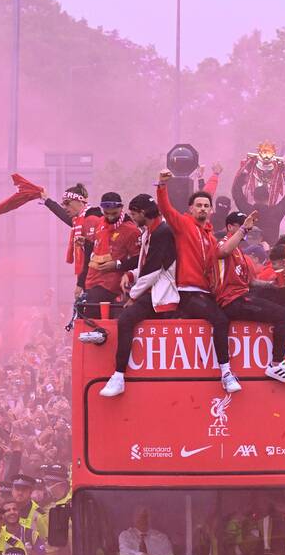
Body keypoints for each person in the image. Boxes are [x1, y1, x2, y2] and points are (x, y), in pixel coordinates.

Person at [155, 167, 241, 394]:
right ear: (190, 209)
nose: (203, 208)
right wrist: (162, 186)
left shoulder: (210, 236)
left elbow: (208, 193)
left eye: (206, 206)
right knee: (220, 321)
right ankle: (226, 373)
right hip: (189, 291)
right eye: (198, 205)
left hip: (207, 292)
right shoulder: (184, 226)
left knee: (234, 311)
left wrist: (215, 177)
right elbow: (166, 209)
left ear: (211, 211)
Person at [212, 209, 285, 385]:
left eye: (248, 225)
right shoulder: (223, 243)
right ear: (230, 227)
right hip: (231, 300)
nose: (248, 228)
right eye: (243, 225)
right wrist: (243, 230)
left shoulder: (240, 253)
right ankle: (276, 364)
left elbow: (250, 282)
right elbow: (223, 251)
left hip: (243, 294)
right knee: (283, 315)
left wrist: (271, 286)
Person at [99, 193, 175, 395]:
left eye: (133, 214)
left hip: (163, 292)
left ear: (142, 213)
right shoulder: (151, 231)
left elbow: (153, 270)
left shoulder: (162, 232)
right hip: (153, 287)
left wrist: (133, 296)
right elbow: (145, 265)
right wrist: (130, 275)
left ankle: (118, 375)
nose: (131, 218)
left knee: (125, 320)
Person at [82, 191, 142, 303]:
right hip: (91, 281)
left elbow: (140, 259)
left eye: (114, 213)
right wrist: (86, 242)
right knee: (88, 316)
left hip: (112, 285)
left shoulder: (131, 230)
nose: (110, 217)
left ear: (121, 208)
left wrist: (117, 265)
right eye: (106, 213)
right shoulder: (100, 223)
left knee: (93, 316)